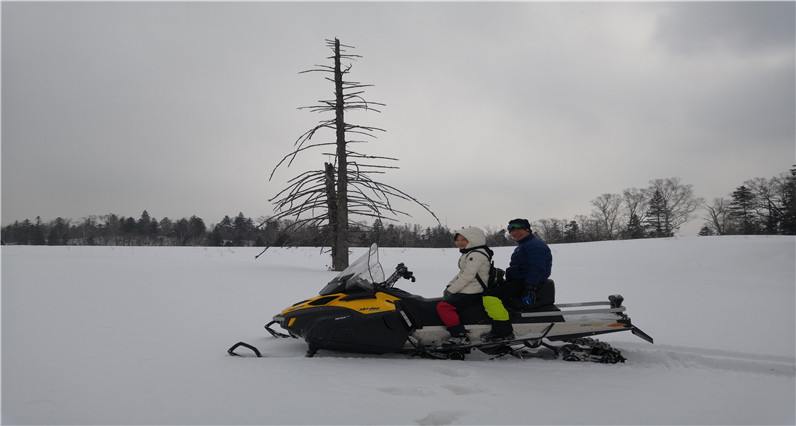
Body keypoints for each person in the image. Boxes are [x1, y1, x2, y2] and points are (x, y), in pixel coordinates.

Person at [480, 218, 554, 343]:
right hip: (520, 281)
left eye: (518, 229)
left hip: (526, 283)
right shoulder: (525, 245)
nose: (514, 233)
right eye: (511, 231)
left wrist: (530, 288)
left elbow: (536, 268)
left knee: (490, 296)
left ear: (527, 230)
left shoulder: (535, 246)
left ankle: (503, 331)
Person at [436, 226, 492, 346]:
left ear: (473, 239)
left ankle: (459, 336)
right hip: (470, 288)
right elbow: (462, 273)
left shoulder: (475, 255)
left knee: (443, 306)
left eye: (463, 239)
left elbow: (467, 276)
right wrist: (450, 285)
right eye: (457, 240)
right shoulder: (470, 253)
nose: (459, 243)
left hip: (474, 291)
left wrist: (451, 290)